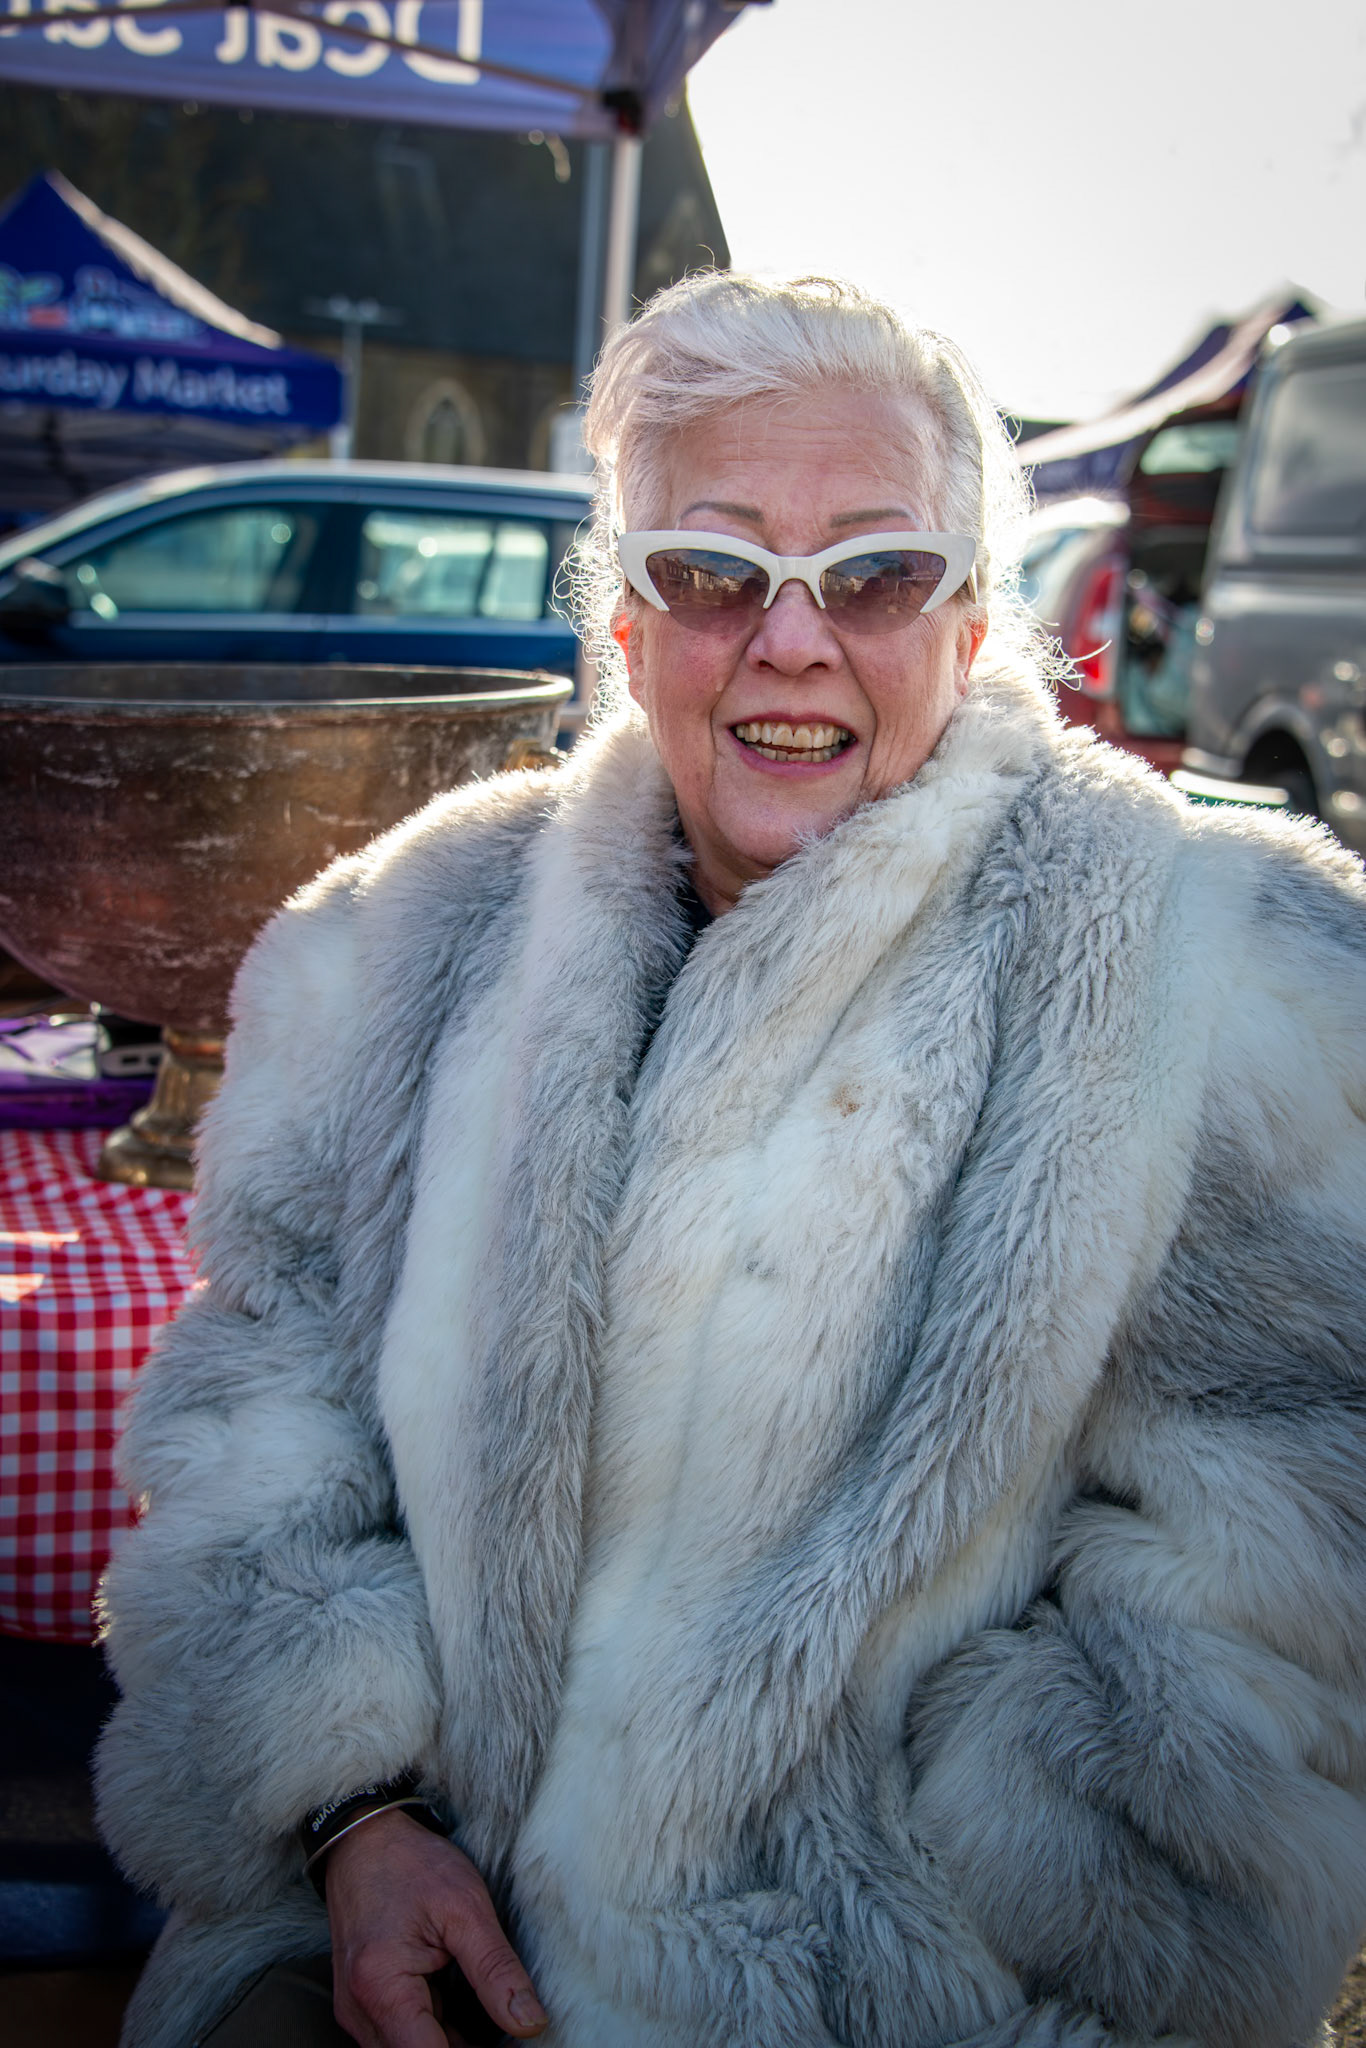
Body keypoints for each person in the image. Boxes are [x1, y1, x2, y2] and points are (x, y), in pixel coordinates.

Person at [97, 273, 1366, 2048]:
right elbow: (266, 1395)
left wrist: (955, 1912)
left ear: (973, 623)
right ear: (621, 626)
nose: (789, 641)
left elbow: (1297, 1538)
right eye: (712, 571)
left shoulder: (1205, 970)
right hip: (410, 1936)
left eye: (872, 573)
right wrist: (353, 1814)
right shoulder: (411, 934)